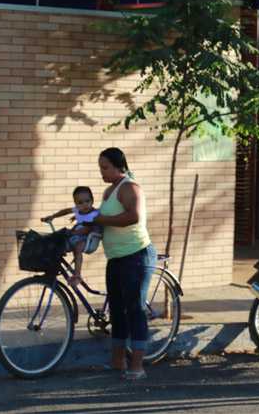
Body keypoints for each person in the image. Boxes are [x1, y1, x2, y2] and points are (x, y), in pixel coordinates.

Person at [92, 147, 156, 381]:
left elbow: (133, 216)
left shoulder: (130, 187)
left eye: (105, 167)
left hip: (136, 256)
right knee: (117, 310)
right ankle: (117, 361)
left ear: (119, 166)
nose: (102, 172)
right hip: (116, 258)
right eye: (100, 167)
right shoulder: (109, 191)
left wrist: (100, 218)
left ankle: (137, 366)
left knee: (134, 309)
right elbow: (102, 220)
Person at [41, 186, 102, 287]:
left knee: (77, 247)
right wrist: (53, 216)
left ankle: (77, 275)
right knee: (57, 244)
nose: (84, 205)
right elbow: (65, 211)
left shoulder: (95, 214)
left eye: (87, 201)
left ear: (92, 200)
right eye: (80, 203)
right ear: (76, 204)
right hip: (76, 236)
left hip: (88, 239)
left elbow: (87, 229)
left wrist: (73, 232)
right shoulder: (78, 210)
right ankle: (52, 269)